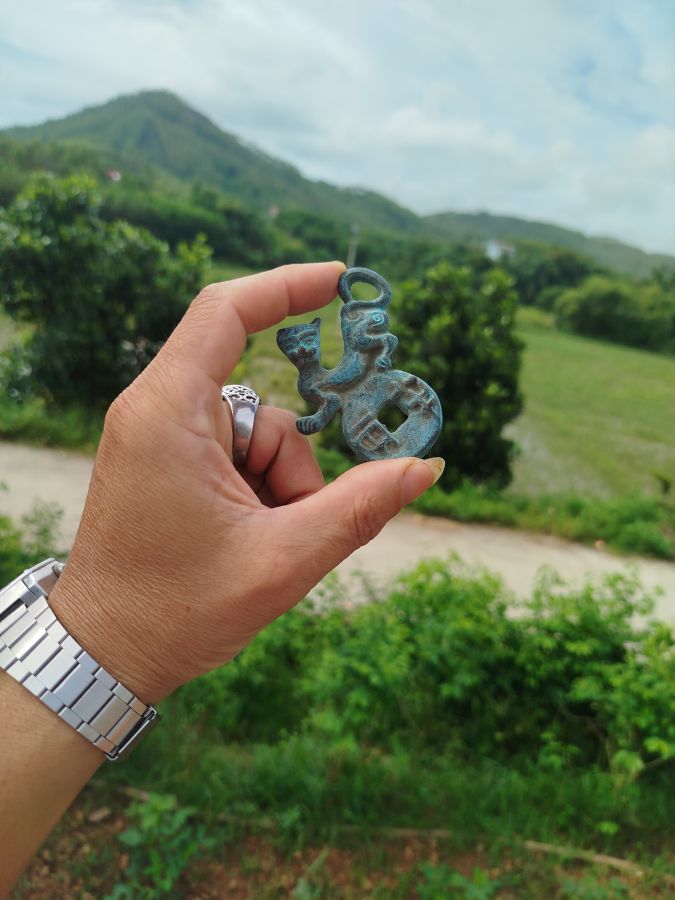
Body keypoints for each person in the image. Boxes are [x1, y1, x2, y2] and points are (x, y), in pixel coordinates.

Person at [0, 262, 444, 890]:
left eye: (376, 330)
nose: (376, 339)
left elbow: (328, 397)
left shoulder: (367, 369)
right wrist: (108, 635)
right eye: (366, 329)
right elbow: (323, 400)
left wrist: (100, 639)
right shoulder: (348, 379)